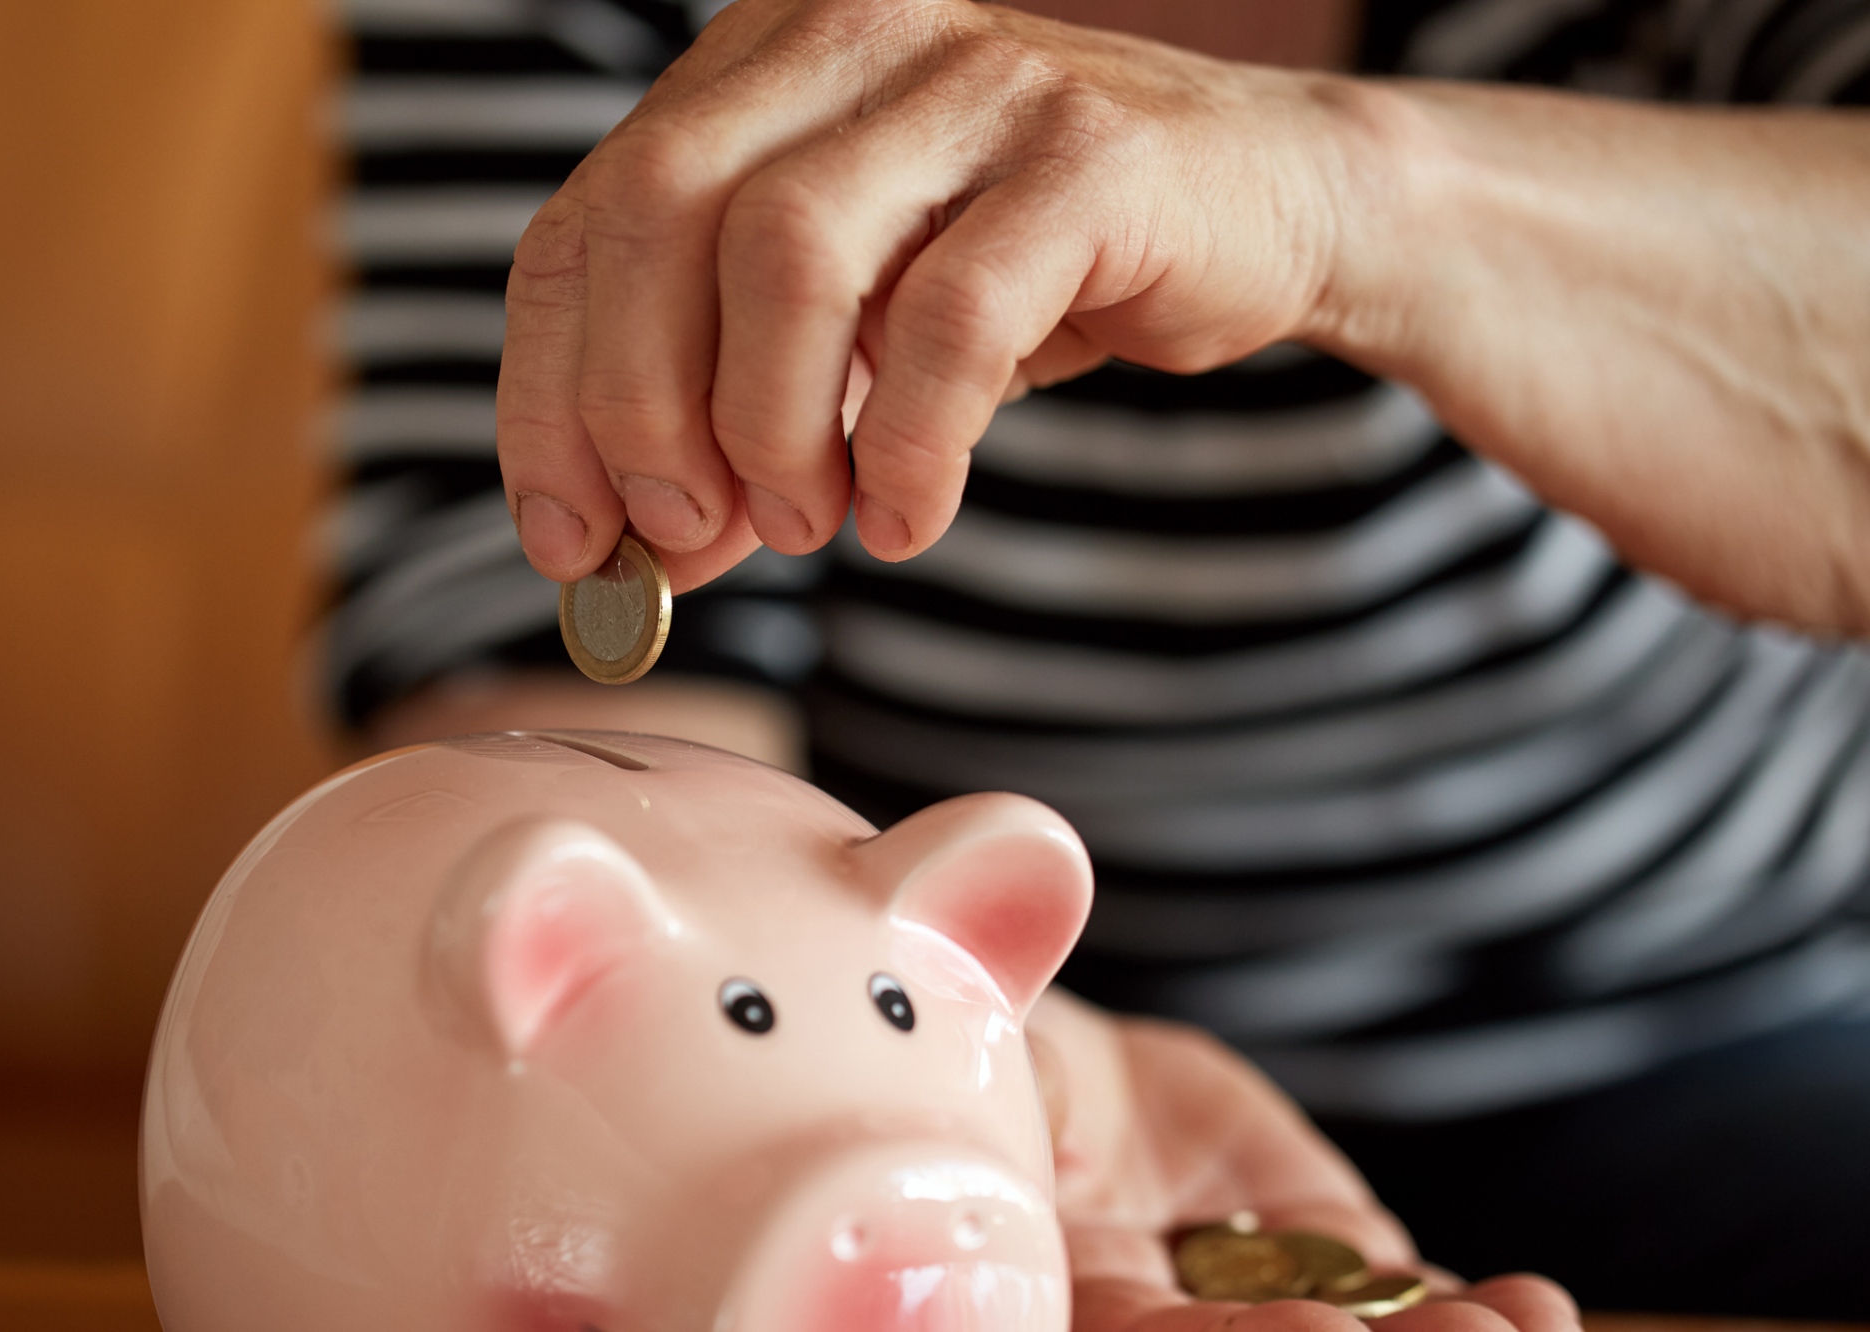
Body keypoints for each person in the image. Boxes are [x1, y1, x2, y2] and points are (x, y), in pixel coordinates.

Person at [324, 0, 1870, 1324]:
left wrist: (1340, 187)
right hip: (937, 1043)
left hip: (1716, 1012)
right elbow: (571, 686)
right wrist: (883, 1086)